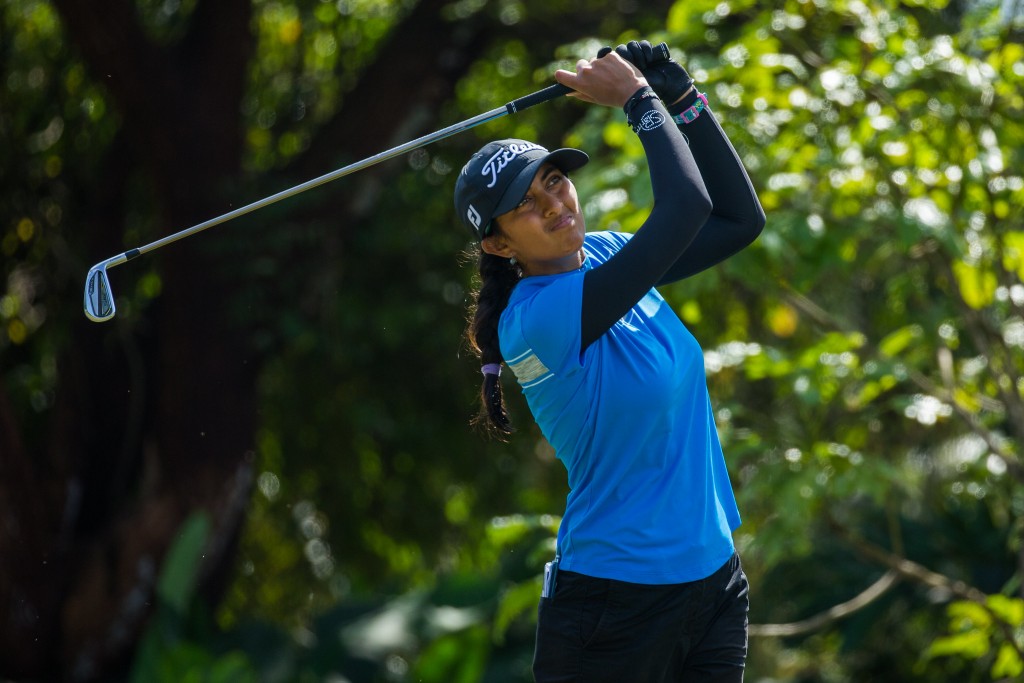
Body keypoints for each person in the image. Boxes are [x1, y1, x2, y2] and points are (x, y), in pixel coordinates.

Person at [453, 40, 765, 682]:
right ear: (499, 242)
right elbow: (685, 208)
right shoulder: (534, 321)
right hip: (613, 609)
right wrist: (638, 101)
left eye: (555, 181)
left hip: (713, 584)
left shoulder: (606, 254)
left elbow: (738, 219)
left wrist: (683, 100)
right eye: (525, 206)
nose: (555, 206)